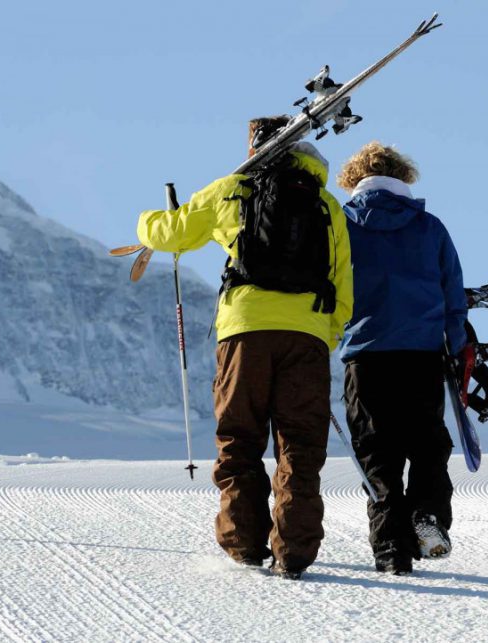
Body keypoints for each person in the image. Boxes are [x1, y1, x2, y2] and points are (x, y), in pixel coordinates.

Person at [136, 116, 354, 580]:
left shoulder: (233, 190)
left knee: (240, 436)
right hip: (307, 333)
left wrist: (146, 223)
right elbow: (342, 281)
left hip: (244, 331)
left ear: (255, 146)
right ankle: (293, 551)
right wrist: (324, 334)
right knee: (299, 444)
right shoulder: (326, 204)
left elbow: (172, 233)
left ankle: (243, 545)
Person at [337, 141, 471, 575]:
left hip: (366, 355)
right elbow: (454, 298)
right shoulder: (430, 228)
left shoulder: (340, 225)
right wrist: (455, 348)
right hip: (422, 356)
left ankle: (391, 548)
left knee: (378, 454)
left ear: (354, 180)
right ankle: (428, 514)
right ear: (403, 177)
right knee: (428, 445)